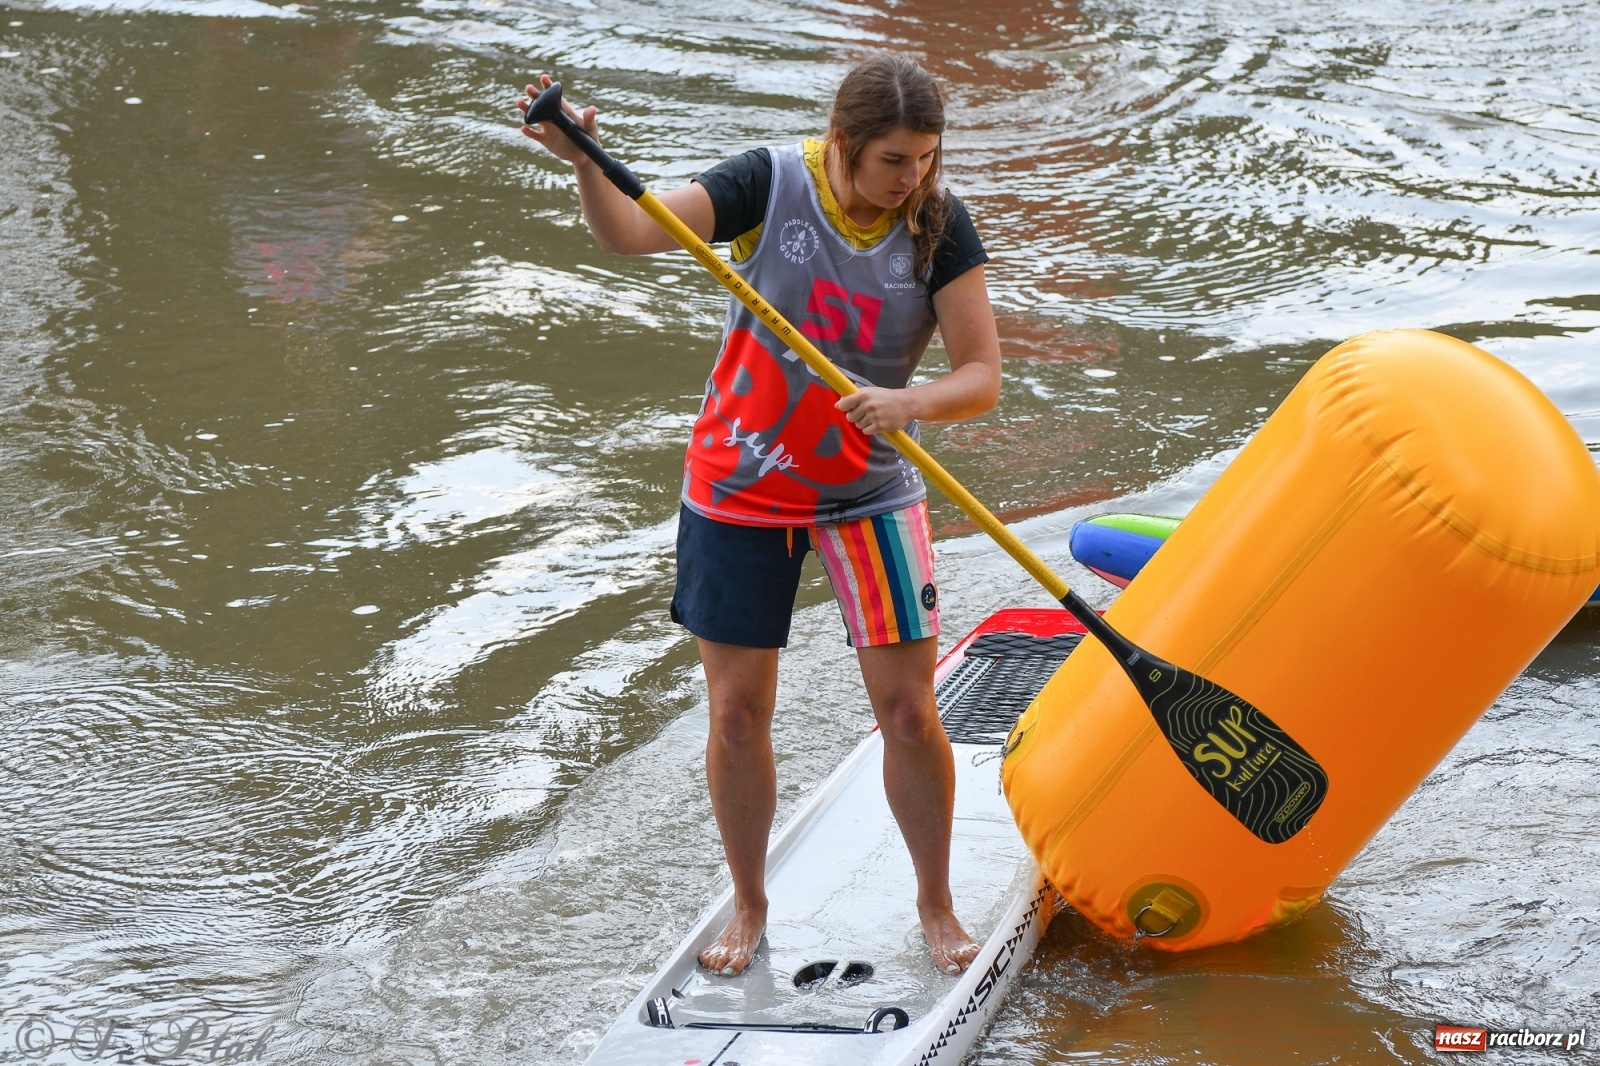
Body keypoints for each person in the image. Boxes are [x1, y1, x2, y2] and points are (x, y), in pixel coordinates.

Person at [519, 53, 1001, 977]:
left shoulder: (938, 224)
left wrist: (911, 403)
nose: (916, 180)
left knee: (907, 714)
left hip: (871, 489)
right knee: (737, 718)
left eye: (929, 157)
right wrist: (585, 159)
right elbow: (630, 233)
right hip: (740, 485)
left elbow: (981, 377)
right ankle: (748, 906)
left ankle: (935, 904)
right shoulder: (767, 183)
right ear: (844, 145)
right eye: (896, 161)